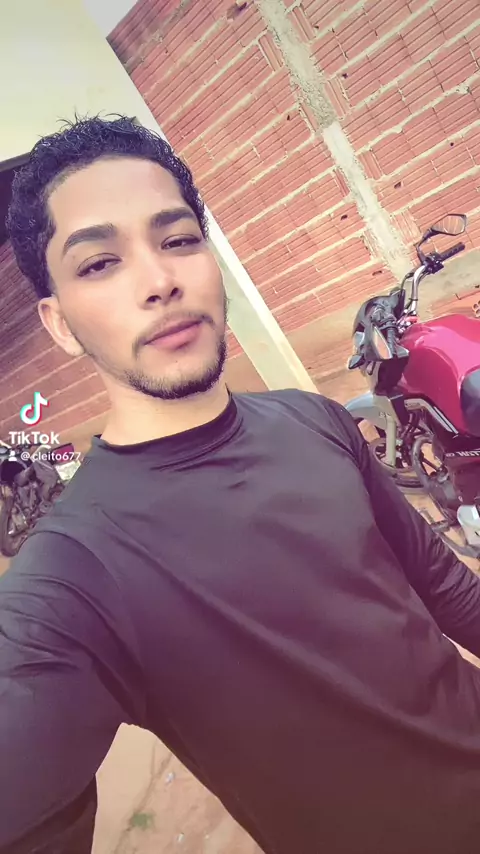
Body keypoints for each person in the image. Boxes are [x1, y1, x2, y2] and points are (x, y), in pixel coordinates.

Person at [2, 115, 480, 854]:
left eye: (178, 240)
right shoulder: (67, 580)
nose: (159, 281)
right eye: (99, 263)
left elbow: (446, 590)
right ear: (60, 324)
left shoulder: (315, 420)